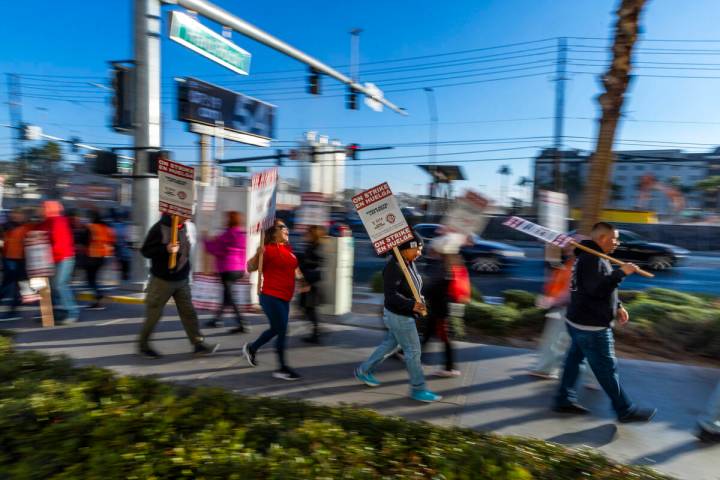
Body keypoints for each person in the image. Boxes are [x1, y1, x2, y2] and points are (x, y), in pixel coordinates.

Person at [554, 222, 656, 423]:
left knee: (574, 361)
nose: (617, 242)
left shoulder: (592, 256)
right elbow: (597, 289)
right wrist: (621, 273)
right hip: (591, 327)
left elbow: (598, 286)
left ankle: (563, 399)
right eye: (614, 238)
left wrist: (617, 305)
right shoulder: (592, 258)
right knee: (607, 369)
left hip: (578, 321)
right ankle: (625, 410)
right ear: (601, 239)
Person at [354, 232, 443, 403]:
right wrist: (412, 305)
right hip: (399, 315)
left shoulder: (408, 263)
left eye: (421, 249)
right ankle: (418, 389)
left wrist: (418, 300)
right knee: (414, 351)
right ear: (406, 248)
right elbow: (391, 296)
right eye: (417, 249)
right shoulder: (394, 266)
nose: (420, 253)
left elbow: (412, 286)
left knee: (390, 345)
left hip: (401, 314)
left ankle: (364, 371)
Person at [138, 213, 218, 358]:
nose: (188, 216)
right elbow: (145, 251)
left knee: (189, 313)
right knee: (154, 314)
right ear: (175, 212)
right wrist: (165, 249)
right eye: (185, 213)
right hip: (162, 281)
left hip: (182, 280)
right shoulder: (158, 228)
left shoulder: (186, 227)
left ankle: (198, 344)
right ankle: (143, 346)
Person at [243, 223, 307, 381]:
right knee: (282, 330)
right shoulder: (268, 250)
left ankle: (252, 347)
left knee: (276, 329)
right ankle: (282, 368)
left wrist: (304, 282)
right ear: (273, 234)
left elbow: (295, 270)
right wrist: (258, 255)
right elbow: (250, 267)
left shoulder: (289, 251)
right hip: (270, 296)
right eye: (282, 227)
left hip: (285, 297)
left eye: (286, 227)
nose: (287, 229)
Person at [421, 235, 469, 377]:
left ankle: (450, 368)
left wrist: (421, 294)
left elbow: (433, 287)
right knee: (429, 333)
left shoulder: (443, 265)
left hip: (441, 308)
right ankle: (414, 358)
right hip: (444, 306)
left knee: (444, 337)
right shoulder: (454, 261)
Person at [204, 211, 248, 333]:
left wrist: (205, 240)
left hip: (227, 269)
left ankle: (242, 324)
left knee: (230, 297)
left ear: (229, 221)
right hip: (238, 269)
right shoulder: (241, 235)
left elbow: (215, 250)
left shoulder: (226, 235)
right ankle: (217, 319)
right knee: (226, 296)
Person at [39, 201, 79, 324]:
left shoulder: (58, 221)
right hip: (53, 259)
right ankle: (59, 313)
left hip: (64, 258)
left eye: (42, 208)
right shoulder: (45, 223)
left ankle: (72, 313)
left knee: (60, 285)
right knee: (53, 287)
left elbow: (60, 243)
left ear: (49, 209)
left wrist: (45, 254)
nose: (40, 210)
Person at [0, 208, 30, 319]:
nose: (15, 216)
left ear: (23, 216)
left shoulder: (27, 227)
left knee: (18, 285)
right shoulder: (5, 227)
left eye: (18, 214)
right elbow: (1, 242)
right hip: (8, 258)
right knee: (7, 284)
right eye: (14, 214)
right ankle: (12, 307)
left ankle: (13, 310)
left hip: (22, 259)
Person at [298, 225, 326, 343]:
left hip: (310, 282)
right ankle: (317, 331)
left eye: (308, 232)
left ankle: (316, 333)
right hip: (312, 281)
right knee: (308, 308)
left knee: (309, 308)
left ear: (312, 235)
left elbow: (313, 262)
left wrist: (302, 261)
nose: (306, 234)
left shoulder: (314, 247)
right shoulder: (315, 246)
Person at [84, 211, 116, 310]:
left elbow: (86, 241)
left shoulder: (90, 227)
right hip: (104, 256)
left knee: (90, 279)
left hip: (92, 256)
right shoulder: (107, 228)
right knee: (94, 279)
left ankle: (99, 295)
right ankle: (97, 299)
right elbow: (113, 242)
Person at [109, 209, 132, 282]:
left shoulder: (114, 226)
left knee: (123, 269)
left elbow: (114, 241)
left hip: (121, 252)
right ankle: (125, 281)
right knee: (126, 269)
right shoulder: (126, 226)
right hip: (126, 252)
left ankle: (124, 281)